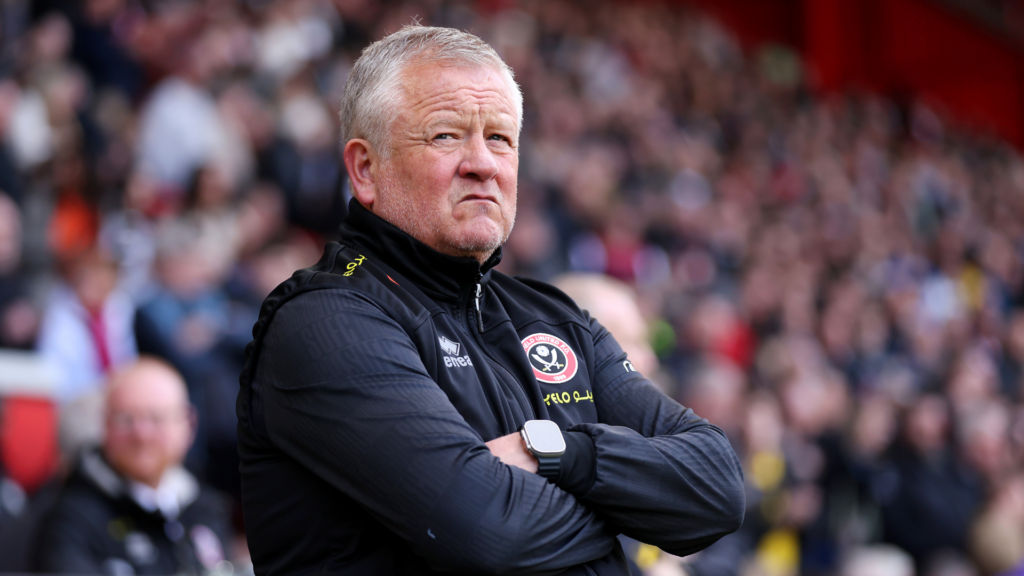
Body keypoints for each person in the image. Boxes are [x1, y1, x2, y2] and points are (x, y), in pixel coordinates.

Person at [237, 25, 744, 575]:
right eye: (446, 136)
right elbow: (488, 529)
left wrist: (555, 451)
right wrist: (630, 508)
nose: (483, 163)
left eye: (500, 138)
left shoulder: (555, 317)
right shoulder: (324, 322)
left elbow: (717, 487)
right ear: (365, 169)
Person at [35, 358, 232, 574]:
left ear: (188, 425)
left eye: (156, 419)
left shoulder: (204, 507)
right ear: (105, 425)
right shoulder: (71, 519)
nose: (141, 434)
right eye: (126, 419)